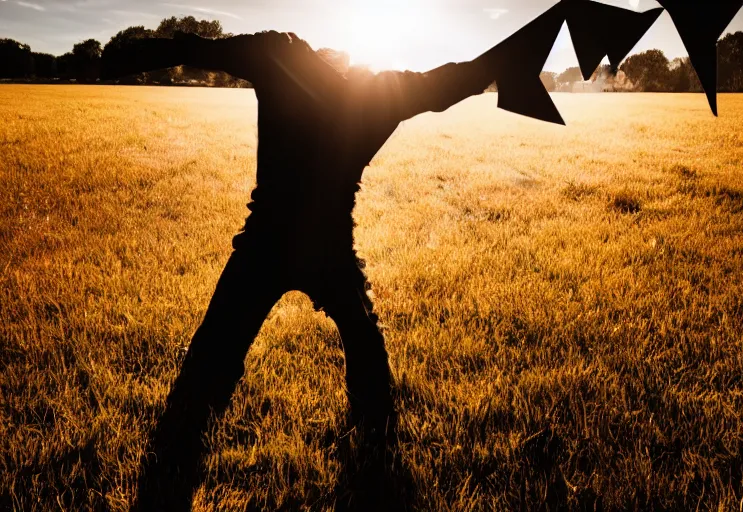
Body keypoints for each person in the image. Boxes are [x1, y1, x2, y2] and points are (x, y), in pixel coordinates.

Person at [102, 29, 509, 510]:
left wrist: (122, 58)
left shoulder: (281, 57)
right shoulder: (376, 96)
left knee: (218, 349)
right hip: (327, 249)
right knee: (361, 341)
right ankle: (375, 436)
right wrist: (506, 61)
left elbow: (195, 47)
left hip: (267, 242)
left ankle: (185, 434)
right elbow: (450, 83)